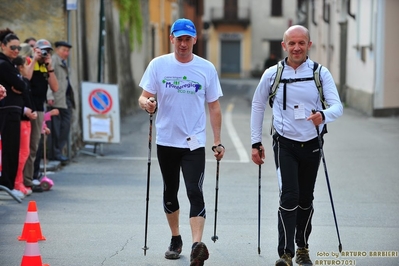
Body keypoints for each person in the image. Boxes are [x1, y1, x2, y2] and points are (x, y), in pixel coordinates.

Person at [250, 25, 343, 266]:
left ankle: (302, 246)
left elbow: (337, 106)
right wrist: (255, 142)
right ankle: (286, 253)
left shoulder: (320, 73)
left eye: (301, 43)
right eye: (292, 43)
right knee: (289, 196)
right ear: (284, 46)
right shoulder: (273, 74)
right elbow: (258, 105)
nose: (297, 47)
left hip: (312, 144)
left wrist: (323, 115)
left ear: (309, 45)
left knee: (305, 199)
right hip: (285, 143)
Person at [138, 18, 225, 266]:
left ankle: (197, 245)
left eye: (188, 39)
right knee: (170, 193)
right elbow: (143, 97)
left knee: (194, 190)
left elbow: (214, 106)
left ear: (195, 40)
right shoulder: (158, 65)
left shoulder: (206, 68)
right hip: (166, 140)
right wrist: (148, 104)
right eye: (179, 38)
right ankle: (176, 239)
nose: (183, 43)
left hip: (193, 143)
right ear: (172, 39)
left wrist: (217, 141)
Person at [23, 39, 58, 193]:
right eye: (42, 50)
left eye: (47, 51)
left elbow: (55, 87)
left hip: (40, 109)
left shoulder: (45, 66)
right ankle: (27, 180)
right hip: (28, 108)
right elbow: (26, 79)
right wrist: (34, 59)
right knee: (28, 147)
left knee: (34, 146)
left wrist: (49, 67)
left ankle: (30, 177)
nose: (45, 54)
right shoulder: (29, 61)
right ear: (35, 49)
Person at [0, 28, 28, 199]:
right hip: (7, 110)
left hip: (13, 110)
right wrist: (20, 83)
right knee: (10, 148)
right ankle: (7, 184)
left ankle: (8, 184)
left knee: (13, 148)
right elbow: (23, 85)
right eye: (12, 47)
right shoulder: (3, 64)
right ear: (2, 46)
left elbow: (23, 85)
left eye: (18, 48)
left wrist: (21, 83)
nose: (16, 51)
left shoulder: (9, 64)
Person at [12, 53, 37, 196]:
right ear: (21, 67)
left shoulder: (24, 82)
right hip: (21, 119)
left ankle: (19, 182)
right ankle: (17, 183)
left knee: (25, 152)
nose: (30, 68)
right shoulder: (17, 82)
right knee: (21, 153)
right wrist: (26, 111)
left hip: (27, 120)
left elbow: (29, 100)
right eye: (27, 65)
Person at [46, 40, 75, 163]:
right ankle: (54, 153)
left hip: (65, 99)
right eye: (64, 50)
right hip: (56, 99)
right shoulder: (53, 61)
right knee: (55, 128)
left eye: (68, 51)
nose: (66, 53)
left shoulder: (63, 63)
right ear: (57, 50)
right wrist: (49, 96)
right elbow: (48, 79)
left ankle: (58, 151)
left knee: (65, 126)